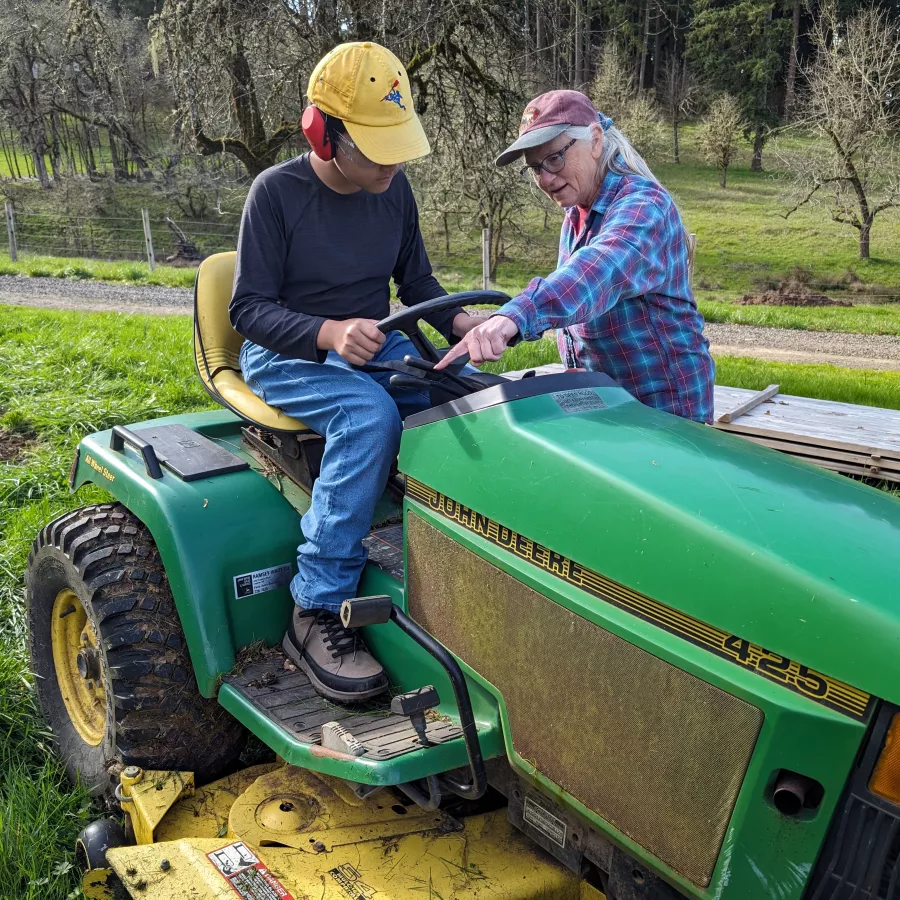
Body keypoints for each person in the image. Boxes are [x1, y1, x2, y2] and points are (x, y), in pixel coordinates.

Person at [230, 41, 482, 703]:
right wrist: (329, 332)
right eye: (377, 146)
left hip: (374, 344)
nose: (394, 162)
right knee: (368, 416)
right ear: (324, 133)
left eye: (397, 142)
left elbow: (417, 281)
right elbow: (249, 308)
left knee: (460, 396)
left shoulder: (393, 193)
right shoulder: (276, 195)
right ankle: (316, 605)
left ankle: (452, 566)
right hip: (286, 353)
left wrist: (466, 327)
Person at [438, 90, 714, 424]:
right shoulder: (576, 215)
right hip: (607, 403)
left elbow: (596, 273)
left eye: (554, 159)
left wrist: (514, 316)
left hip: (664, 411)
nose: (545, 179)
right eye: (535, 168)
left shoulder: (644, 206)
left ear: (595, 140)